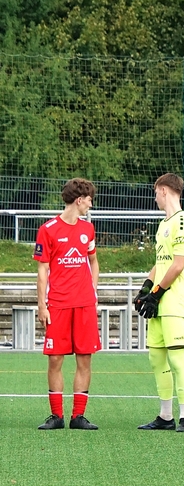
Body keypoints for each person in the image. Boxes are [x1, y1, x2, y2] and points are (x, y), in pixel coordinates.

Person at [33, 178, 101, 431]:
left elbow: (94, 261)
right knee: (55, 360)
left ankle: (78, 416)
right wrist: (42, 305)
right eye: (89, 200)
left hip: (84, 305)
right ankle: (57, 416)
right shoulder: (48, 229)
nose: (91, 205)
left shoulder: (88, 229)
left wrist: (92, 290)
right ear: (79, 200)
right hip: (58, 305)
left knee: (85, 359)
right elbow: (42, 270)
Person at [136, 173, 184, 432]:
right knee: (156, 358)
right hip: (160, 301)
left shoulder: (183, 221)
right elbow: (161, 262)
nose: (155, 198)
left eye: (155, 193)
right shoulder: (164, 224)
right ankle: (165, 416)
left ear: (163, 190)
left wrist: (157, 292)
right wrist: (146, 288)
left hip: (176, 302)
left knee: (176, 358)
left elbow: (178, 265)